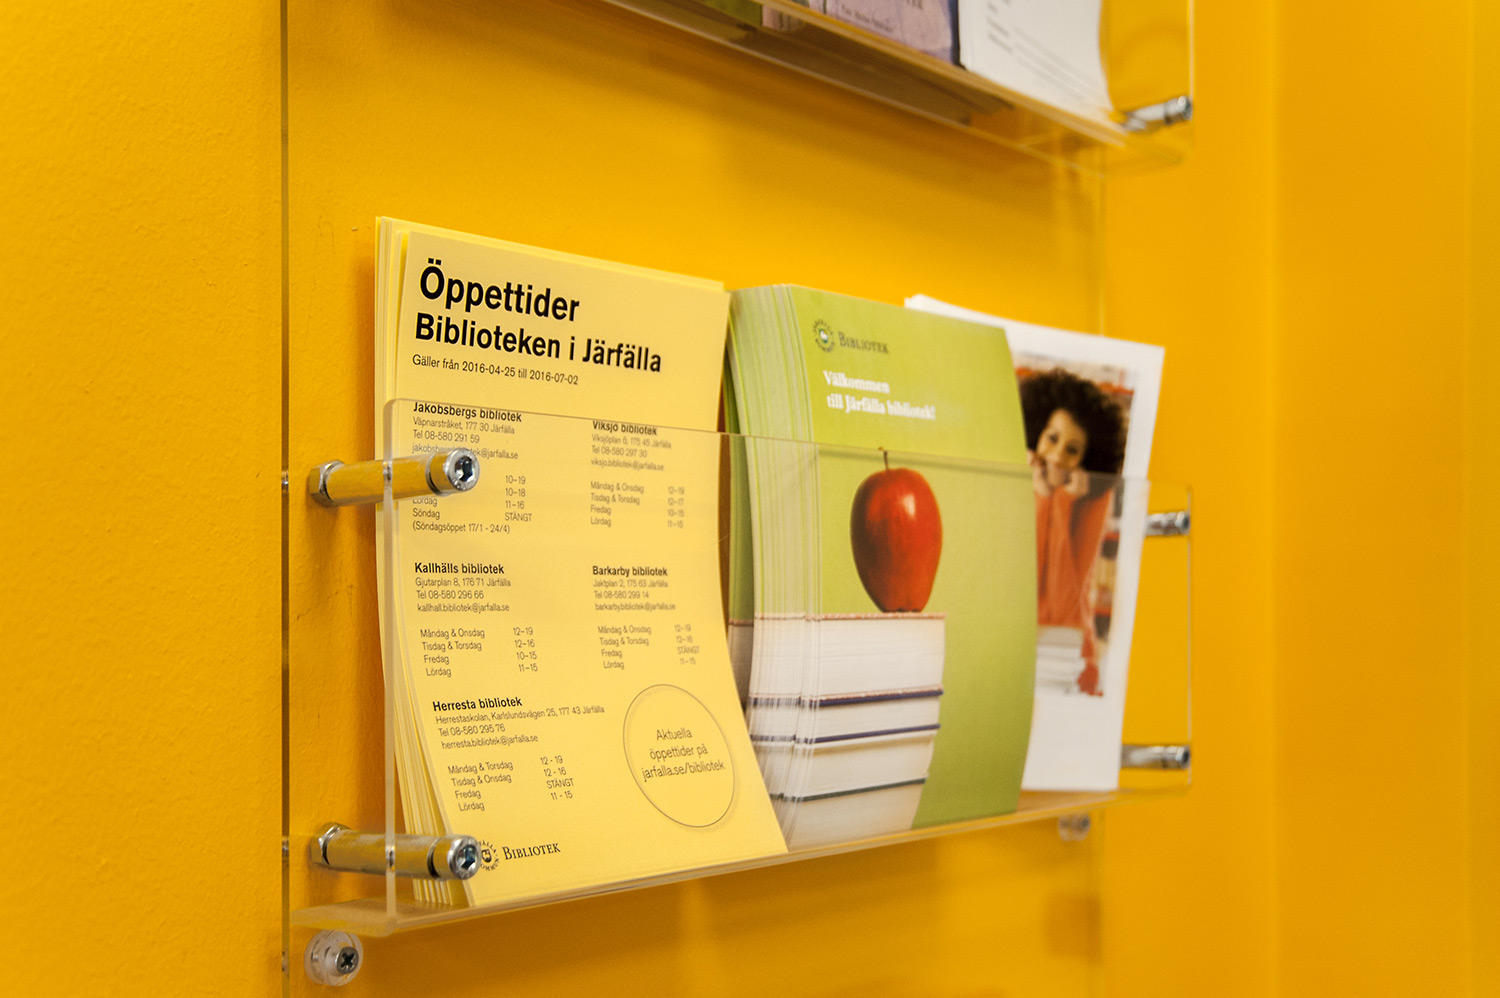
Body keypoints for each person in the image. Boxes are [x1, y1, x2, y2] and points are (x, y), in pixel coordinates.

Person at [1019, 368, 1126, 695]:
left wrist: (1060, 504)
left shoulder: (1094, 499)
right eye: (1052, 438)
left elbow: (1062, 607)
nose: (1057, 456)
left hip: (1071, 660)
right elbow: (1023, 590)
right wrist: (1041, 497)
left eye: (1072, 449)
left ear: (1085, 459)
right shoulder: (1019, 476)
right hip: (1018, 650)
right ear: (1037, 434)